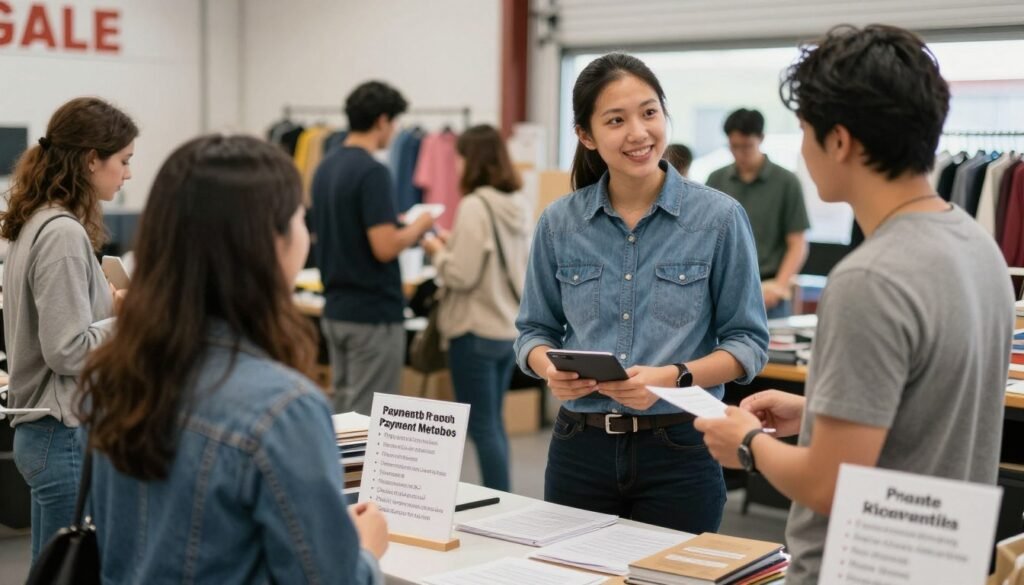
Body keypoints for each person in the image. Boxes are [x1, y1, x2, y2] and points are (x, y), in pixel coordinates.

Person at [694, 25, 1014, 585]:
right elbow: (933, 400)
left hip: (861, 568)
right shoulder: (977, 246)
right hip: (942, 566)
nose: (802, 150)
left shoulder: (869, 278)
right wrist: (820, 409)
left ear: (839, 141)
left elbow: (827, 483)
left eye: (804, 131)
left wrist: (743, 444)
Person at [79, 135, 388, 583]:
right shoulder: (283, 409)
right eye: (300, 218)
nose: (307, 232)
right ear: (269, 242)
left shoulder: (118, 374)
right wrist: (364, 551)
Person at [514, 53, 769, 533]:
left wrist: (673, 377)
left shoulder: (718, 219)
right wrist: (551, 367)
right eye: (616, 120)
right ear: (587, 136)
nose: (638, 132)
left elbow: (747, 344)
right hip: (578, 449)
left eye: (649, 113)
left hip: (681, 449)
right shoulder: (559, 223)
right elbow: (533, 330)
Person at [0, 97, 136, 561]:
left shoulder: (36, 222)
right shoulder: (61, 233)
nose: (128, 174)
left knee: (52, 570)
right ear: (91, 159)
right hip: (60, 433)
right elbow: (68, 351)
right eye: (124, 161)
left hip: (47, 433)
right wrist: (126, 323)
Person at [311, 81, 434, 414]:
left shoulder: (325, 167)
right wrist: (418, 226)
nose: (394, 131)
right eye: (393, 122)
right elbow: (384, 247)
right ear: (382, 120)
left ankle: (336, 470)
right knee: (368, 419)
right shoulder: (372, 172)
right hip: (372, 314)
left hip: (335, 308)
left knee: (342, 407)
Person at [421, 124, 529, 491]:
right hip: (506, 328)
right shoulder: (517, 203)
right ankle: (503, 496)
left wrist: (437, 253)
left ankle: (500, 499)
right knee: (493, 423)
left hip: (473, 329)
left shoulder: (474, 204)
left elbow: (461, 275)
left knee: (481, 427)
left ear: (473, 159)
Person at [706, 108, 810, 318]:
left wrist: (780, 286)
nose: (740, 154)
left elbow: (797, 243)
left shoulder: (786, 182)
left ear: (761, 139)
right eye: (734, 147)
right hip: (724, 290)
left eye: (747, 146)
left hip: (769, 291)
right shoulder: (716, 180)